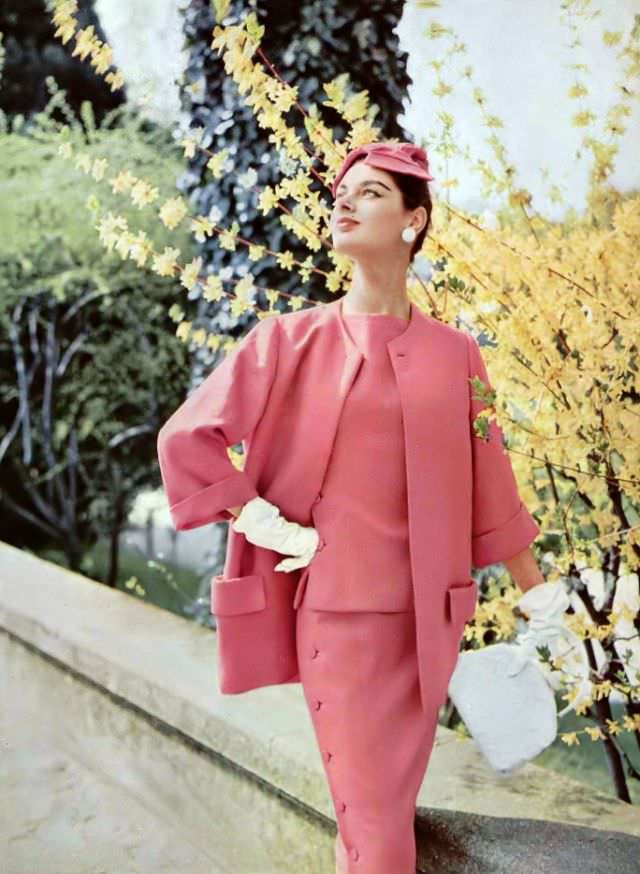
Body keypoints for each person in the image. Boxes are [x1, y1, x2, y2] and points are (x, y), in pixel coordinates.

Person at [157, 141, 549, 873]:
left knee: (376, 818)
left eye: (368, 192)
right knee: (372, 821)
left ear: (413, 219)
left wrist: (542, 597)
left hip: (430, 625)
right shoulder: (286, 341)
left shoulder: (458, 354)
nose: (343, 202)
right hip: (336, 617)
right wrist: (260, 520)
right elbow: (187, 439)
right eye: (341, 193)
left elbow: (490, 478)